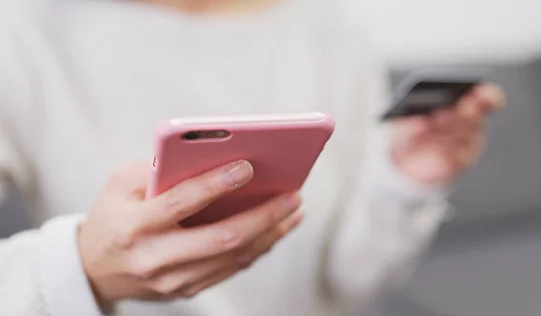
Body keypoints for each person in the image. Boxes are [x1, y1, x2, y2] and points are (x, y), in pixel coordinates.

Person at [0, 0, 504, 315]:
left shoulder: (327, 25)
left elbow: (345, 289)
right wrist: (82, 270)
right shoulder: (20, 31)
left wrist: (405, 182)